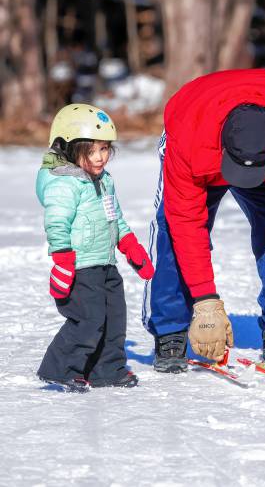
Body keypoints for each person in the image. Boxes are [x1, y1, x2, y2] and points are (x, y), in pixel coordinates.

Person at [142, 69, 265, 374]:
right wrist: (205, 300)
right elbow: (186, 222)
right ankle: (171, 328)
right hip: (199, 147)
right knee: (171, 231)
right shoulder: (189, 137)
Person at [36, 103, 154, 392]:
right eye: (92, 151)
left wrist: (130, 245)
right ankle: (62, 368)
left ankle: (107, 370)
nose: (100, 158)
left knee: (115, 320)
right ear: (67, 147)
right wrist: (63, 260)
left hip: (105, 261)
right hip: (79, 266)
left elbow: (115, 218)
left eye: (104, 149)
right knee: (87, 320)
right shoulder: (63, 184)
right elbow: (56, 223)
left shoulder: (104, 181)